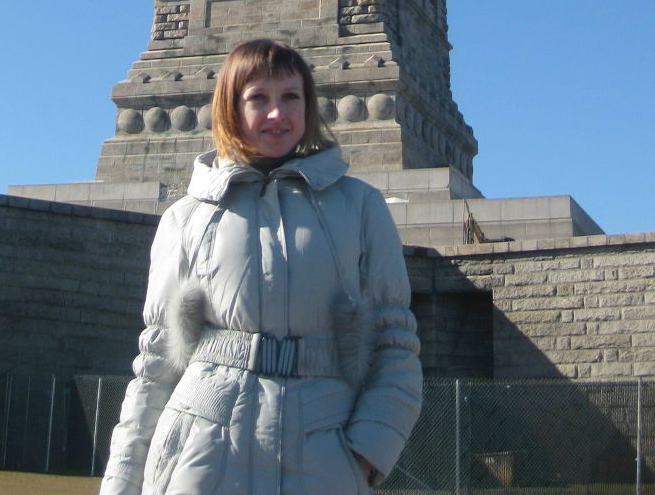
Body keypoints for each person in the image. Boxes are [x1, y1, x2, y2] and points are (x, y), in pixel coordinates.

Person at [100, 38, 423, 495]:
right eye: (258, 99)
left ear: (309, 106)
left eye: (291, 97)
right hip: (200, 455)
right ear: (230, 108)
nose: (277, 114)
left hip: (323, 456)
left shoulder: (362, 207)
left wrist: (367, 454)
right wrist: (120, 483)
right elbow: (156, 363)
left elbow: (396, 347)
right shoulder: (185, 217)